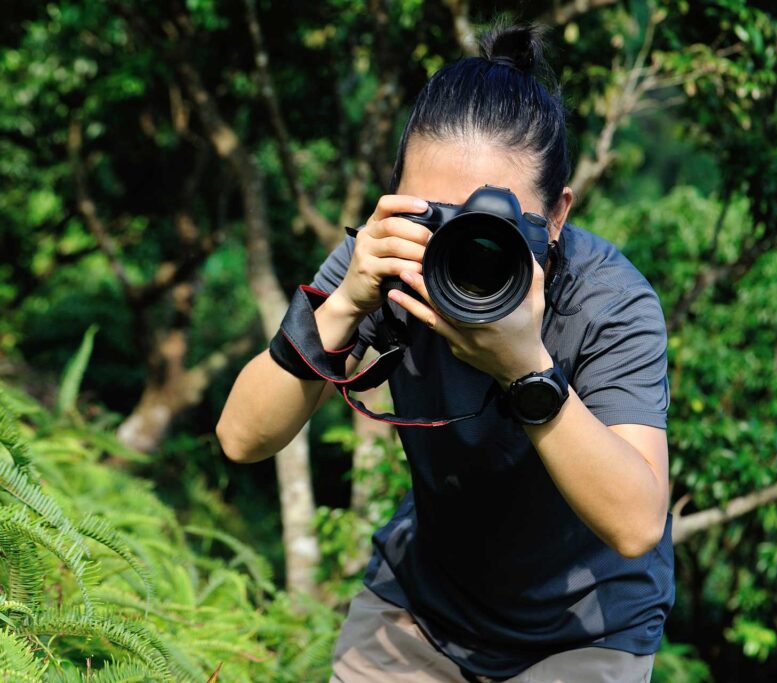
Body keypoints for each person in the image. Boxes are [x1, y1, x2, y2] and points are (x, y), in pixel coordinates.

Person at [216, 23, 674, 683]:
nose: (458, 246)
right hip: (424, 604)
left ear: (556, 215)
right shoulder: (389, 258)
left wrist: (525, 370)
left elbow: (636, 523)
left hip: (585, 629)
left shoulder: (608, 302)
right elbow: (239, 438)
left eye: (492, 222)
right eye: (433, 213)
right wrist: (343, 305)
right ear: (397, 192)